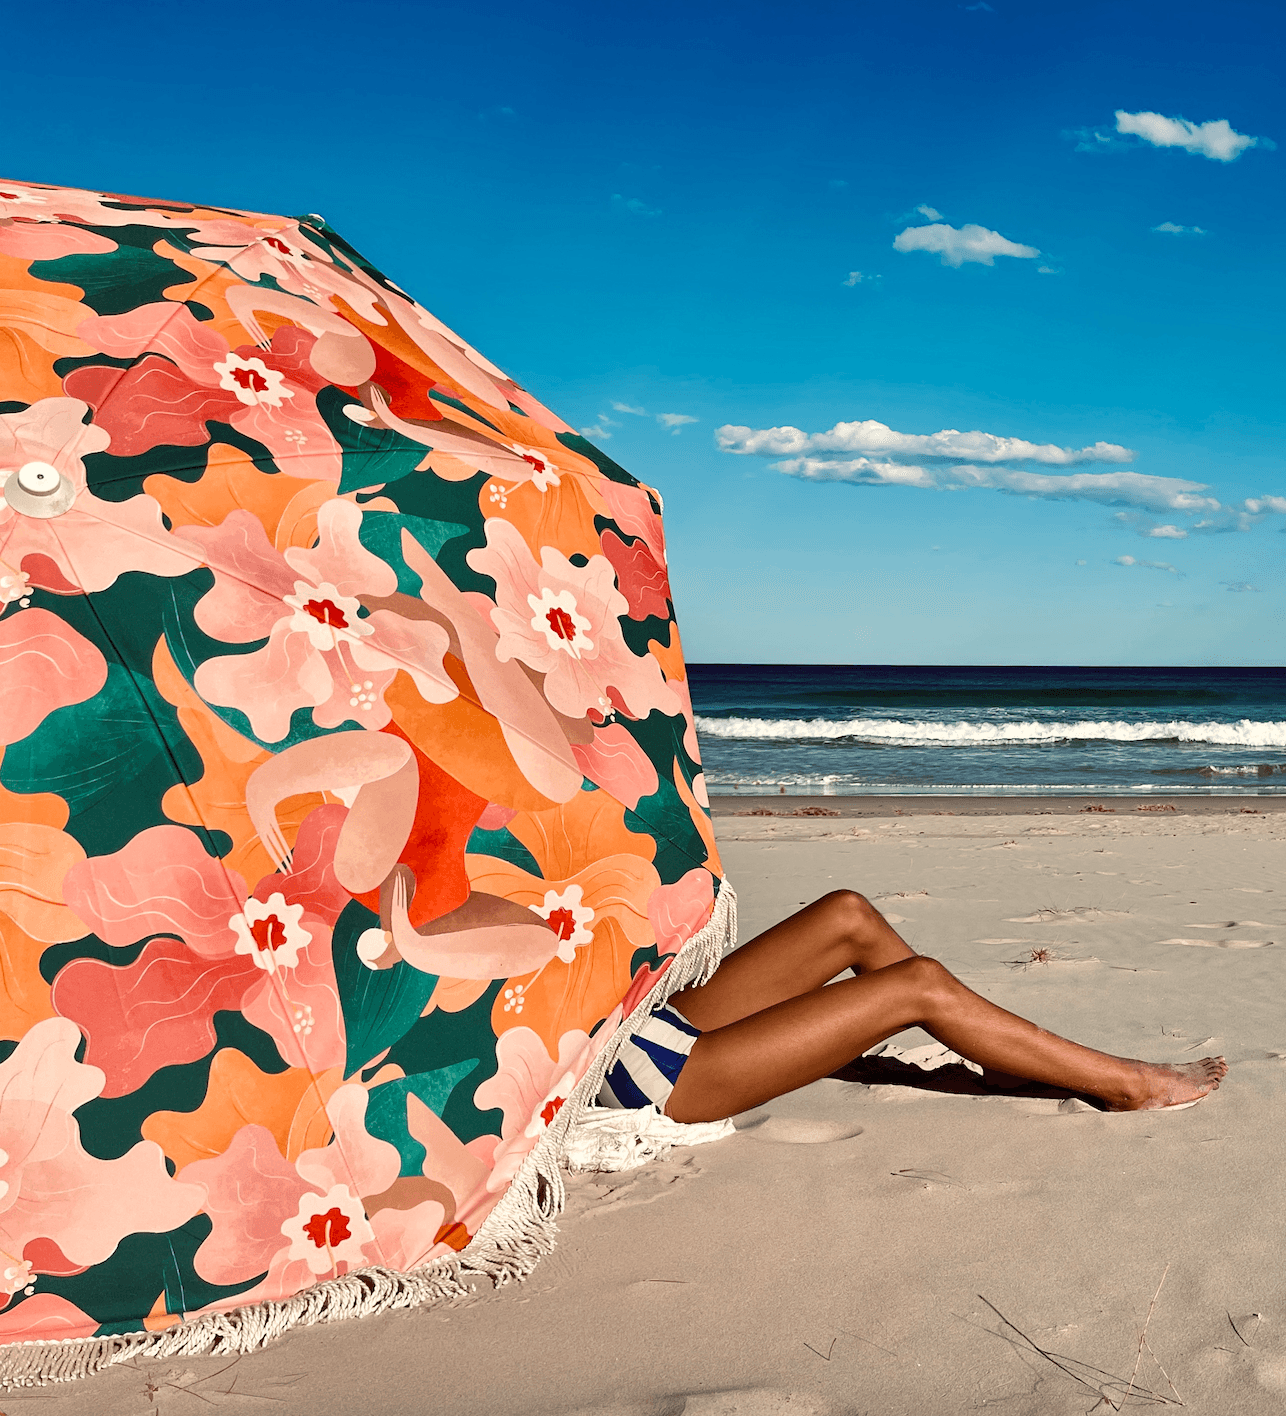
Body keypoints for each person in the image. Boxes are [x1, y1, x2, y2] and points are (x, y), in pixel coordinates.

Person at [599, 890, 1226, 1123]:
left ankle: (1000, 1060)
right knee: (918, 982)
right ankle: (1126, 1085)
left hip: (640, 1018)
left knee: (848, 915)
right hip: (633, 1073)